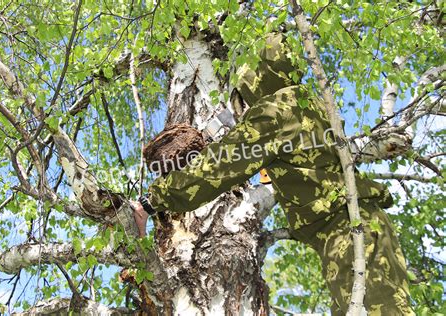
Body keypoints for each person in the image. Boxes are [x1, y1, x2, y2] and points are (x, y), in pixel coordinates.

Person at [131, 33, 414, 315]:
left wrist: (150, 202)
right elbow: (302, 160)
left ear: (256, 75)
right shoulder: (308, 104)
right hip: (359, 230)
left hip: (350, 232)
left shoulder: (276, 110)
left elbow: (218, 166)